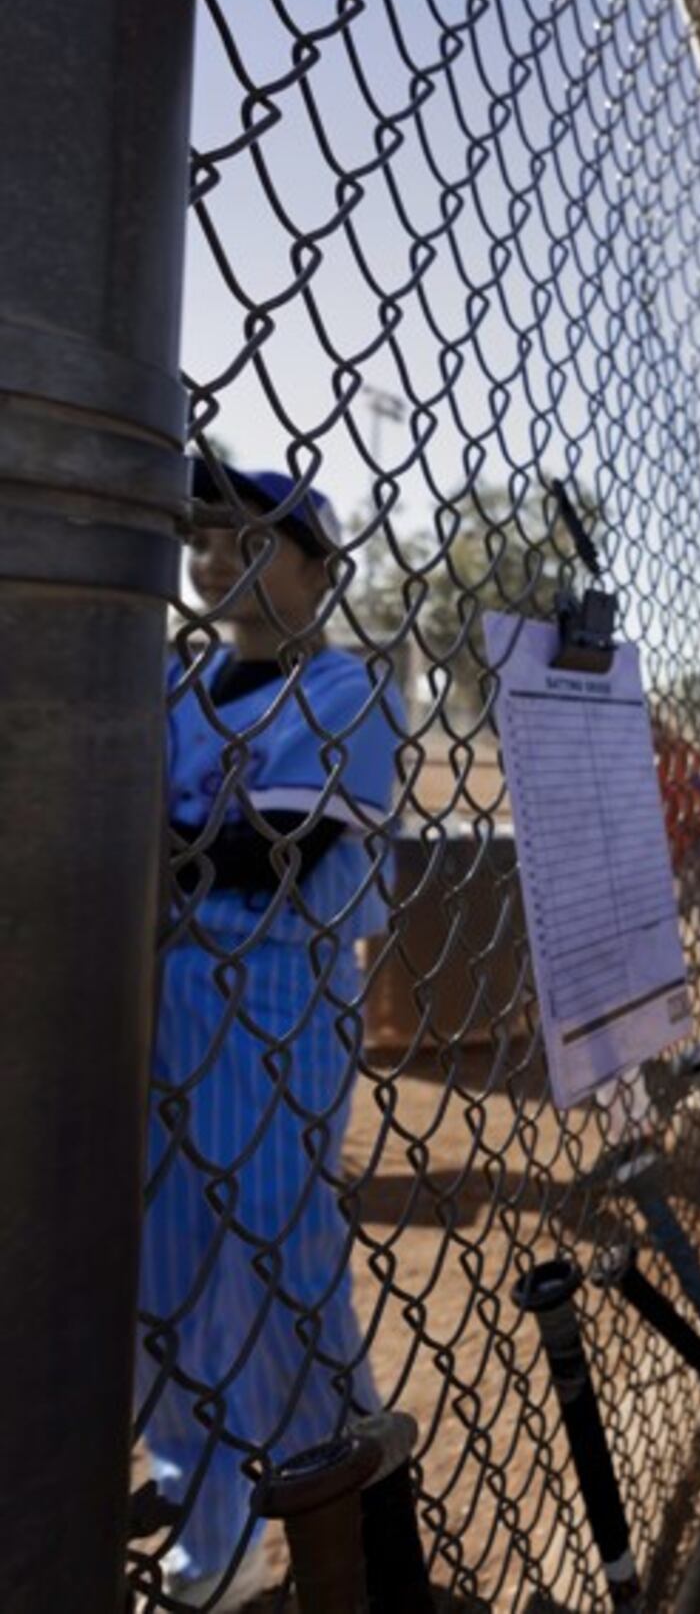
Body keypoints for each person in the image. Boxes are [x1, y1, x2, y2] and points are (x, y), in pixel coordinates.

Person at [138, 459, 403, 1603]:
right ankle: (215, 1546)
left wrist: (137, 839)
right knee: (166, 1271)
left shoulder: (345, 690)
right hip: (158, 1006)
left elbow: (263, 850)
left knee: (274, 1260)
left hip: (274, 1000)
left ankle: (347, 1513)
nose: (212, 556)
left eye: (245, 535)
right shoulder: (167, 678)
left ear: (316, 567)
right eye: (199, 535)